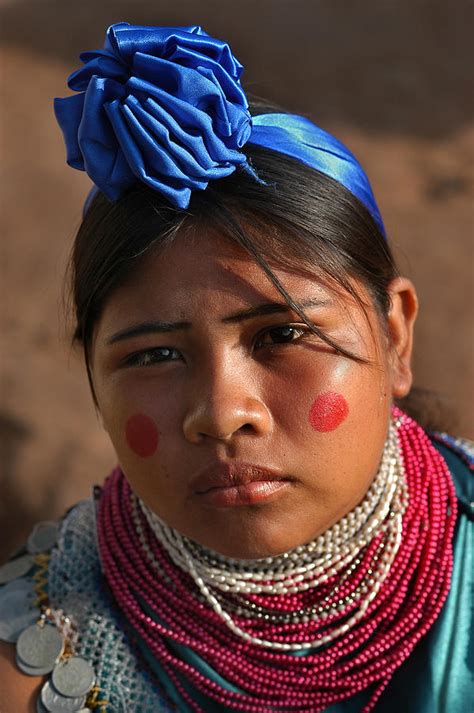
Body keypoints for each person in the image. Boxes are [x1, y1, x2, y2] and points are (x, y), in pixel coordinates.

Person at [0, 22, 472, 713]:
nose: (222, 412)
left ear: (396, 336)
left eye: (281, 333)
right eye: (154, 354)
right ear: (94, 379)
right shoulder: (35, 673)